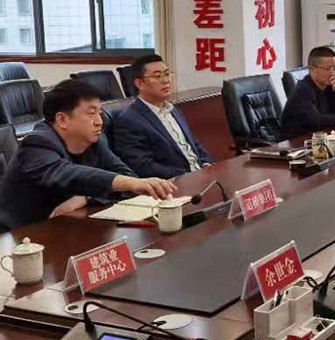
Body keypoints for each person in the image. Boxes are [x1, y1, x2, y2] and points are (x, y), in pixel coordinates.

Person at [0, 80, 177, 231]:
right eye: (91, 113)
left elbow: (126, 177)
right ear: (62, 119)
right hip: (22, 236)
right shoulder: (36, 144)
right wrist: (132, 183)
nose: (99, 121)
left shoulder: (96, 141)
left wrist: (87, 197)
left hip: (70, 228)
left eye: (100, 112)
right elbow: (69, 174)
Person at [113, 54, 213, 179]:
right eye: (157, 76)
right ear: (139, 83)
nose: (166, 80)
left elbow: (193, 144)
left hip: (200, 176)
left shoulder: (173, 109)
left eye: (167, 74)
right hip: (174, 183)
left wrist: (207, 164)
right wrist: (186, 175)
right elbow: (142, 166)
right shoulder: (129, 120)